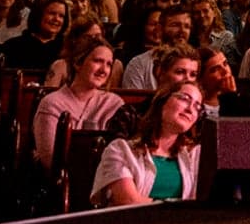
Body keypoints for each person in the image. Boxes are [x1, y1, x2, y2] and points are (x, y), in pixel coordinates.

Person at [91, 80, 203, 206]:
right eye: (184, 99)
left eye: (197, 107)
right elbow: (128, 202)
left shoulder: (195, 156)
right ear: (162, 102)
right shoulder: (121, 150)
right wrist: (183, 212)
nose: (190, 110)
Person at [33, 37, 124, 169]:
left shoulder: (114, 103)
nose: (104, 70)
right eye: (98, 61)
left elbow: (121, 156)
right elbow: (50, 160)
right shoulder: (51, 103)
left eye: (109, 64)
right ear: (78, 63)